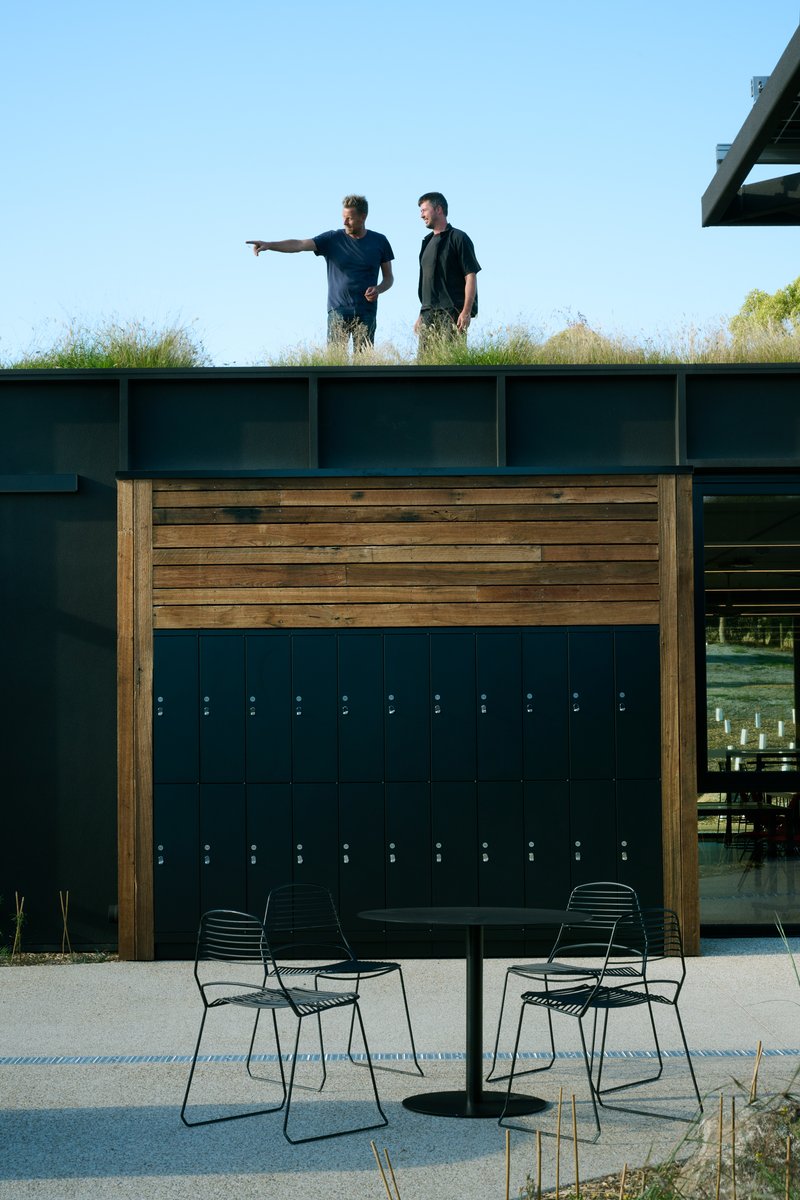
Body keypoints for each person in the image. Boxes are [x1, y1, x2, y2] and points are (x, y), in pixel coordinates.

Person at [246, 195, 394, 349]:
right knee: (335, 366)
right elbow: (299, 245)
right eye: (343, 217)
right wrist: (269, 245)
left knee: (364, 365)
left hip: (366, 312)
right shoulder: (332, 238)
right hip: (338, 310)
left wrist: (378, 289)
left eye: (349, 218)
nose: (344, 222)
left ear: (363, 217)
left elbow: (389, 278)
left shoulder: (380, 241)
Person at [414, 192, 481, 350]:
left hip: (452, 312)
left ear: (438, 209)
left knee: (451, 366)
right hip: (428, 315)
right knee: (424, 366)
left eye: (424, 210)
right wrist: (421, 314)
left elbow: (470, 276)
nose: (421, 215)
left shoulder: (459, 238)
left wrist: (466, 311)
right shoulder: (426, 242)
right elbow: (427, 283)